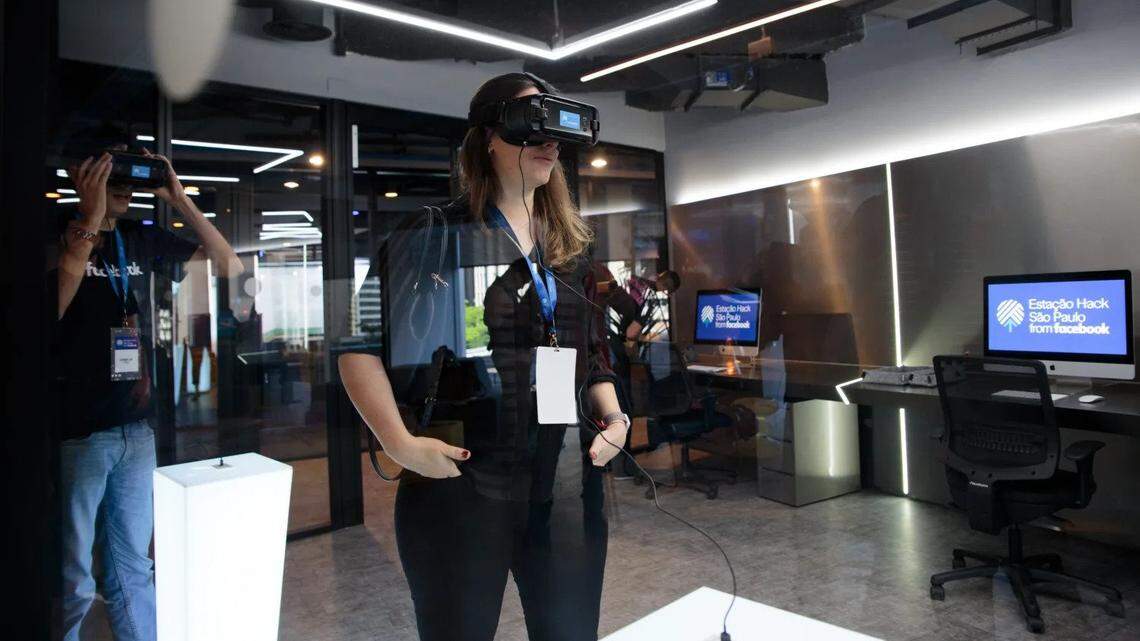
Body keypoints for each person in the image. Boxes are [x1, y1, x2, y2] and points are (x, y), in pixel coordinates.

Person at [339, 73, 628, 641]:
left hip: (564, 481)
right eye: (531, 126)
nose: (549, 143)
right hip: (460, 482)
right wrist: (400, 444)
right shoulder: (432, 234)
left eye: (555, 132)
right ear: (489, 137)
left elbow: (592, 353)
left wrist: (615, 417)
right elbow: (357, 348)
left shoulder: (571, 247)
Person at [55, 128, 242, 641]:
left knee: (134, 567)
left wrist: (180, 200)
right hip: (77, 431)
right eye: (111, 170)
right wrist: (89, 220)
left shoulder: (139, 237)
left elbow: (230, 267)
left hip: (135, 429)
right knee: (71, 577)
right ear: (81, 173)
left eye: (128, 172)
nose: (123, 184)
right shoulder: (54, 230)